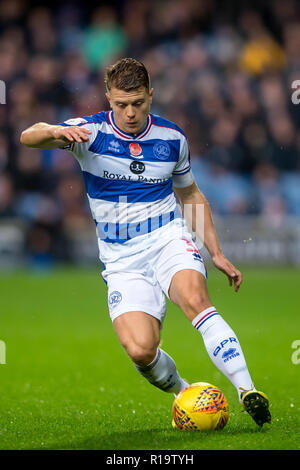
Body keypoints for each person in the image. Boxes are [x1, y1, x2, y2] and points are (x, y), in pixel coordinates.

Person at [20, 58, 271, 427]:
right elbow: (29, 136)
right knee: (140, 350)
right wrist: (57, 131)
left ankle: (247, 390)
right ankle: (187, 394)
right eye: (121, 105)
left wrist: (215, 251)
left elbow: (190, 195)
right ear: (108, 100)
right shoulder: (88, 132)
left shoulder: (171, 139)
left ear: (151, 96)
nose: (130, 112)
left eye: (138, 103)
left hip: (167, 238)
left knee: (196, 300)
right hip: (121, 258)